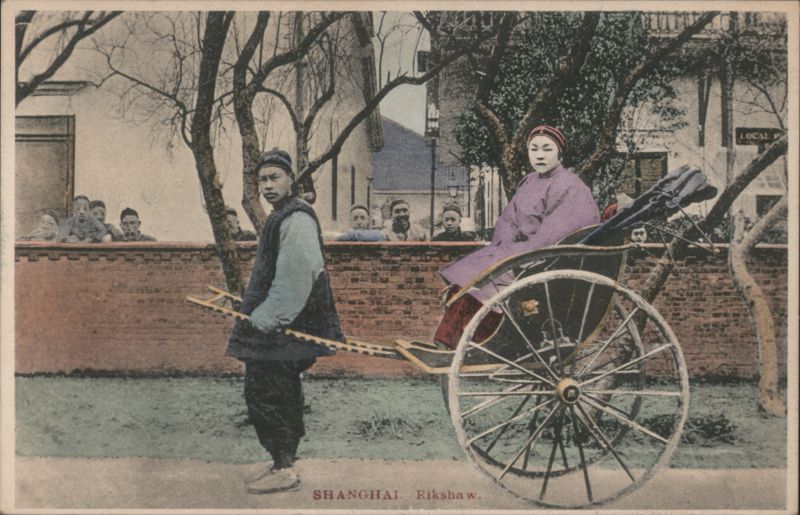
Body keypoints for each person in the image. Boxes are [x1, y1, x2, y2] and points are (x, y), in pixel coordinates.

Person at [226, 149, 342, 494]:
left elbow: (297, 275)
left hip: (286, 325)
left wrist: (267, 315)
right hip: (278, 324)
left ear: (291, 180)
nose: (267, 185)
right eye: (262, 180)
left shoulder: (296, 216)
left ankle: (285, 467)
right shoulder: (281, 215)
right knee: (276, 390)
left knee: (266, 392)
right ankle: (282, 460)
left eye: (274, 177)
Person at [435, 125, 600, 348]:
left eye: (547, 149)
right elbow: (508, 219)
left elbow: (557, 232)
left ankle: (475, 341)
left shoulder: (571, 186)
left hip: (542, 257)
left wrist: (517, 253)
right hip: (515, 250)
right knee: (470, 281)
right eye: (534, 149)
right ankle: (451, 341)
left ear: (560, 153)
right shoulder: (529, 181)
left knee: (489, 279)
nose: (540, 155)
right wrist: (505, 244)